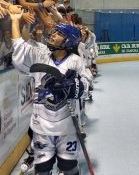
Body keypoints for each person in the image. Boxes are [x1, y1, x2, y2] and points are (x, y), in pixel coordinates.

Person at [11, 11, 92, 175]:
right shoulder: (40, 54)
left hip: (67, 127)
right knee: (42, 169)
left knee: (69, 168)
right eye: (54, 32)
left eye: (59, 34)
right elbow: (20, 47)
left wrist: (74, 87)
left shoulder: (75, 61)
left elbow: (87, 81)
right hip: (41, 126)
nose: (53, 34)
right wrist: (14, 22)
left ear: (68, 41)